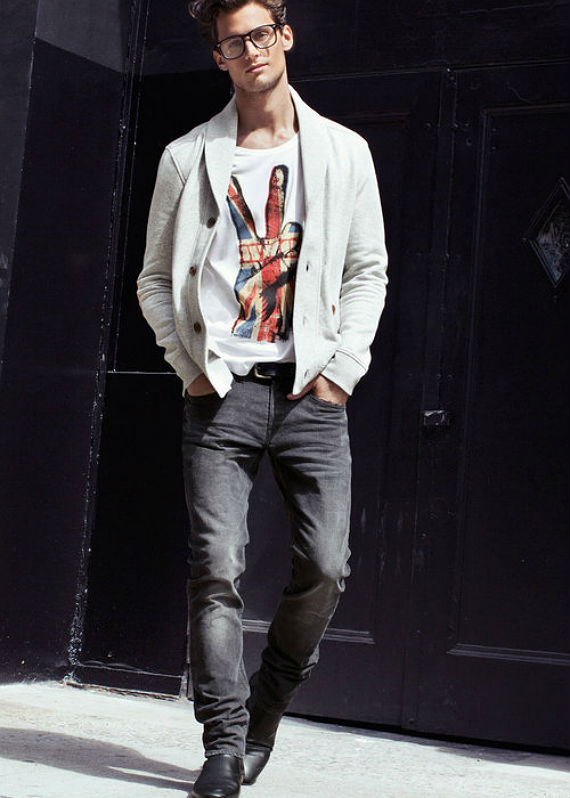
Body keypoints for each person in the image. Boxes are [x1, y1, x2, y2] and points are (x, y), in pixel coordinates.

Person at [137, 2, 388, 796]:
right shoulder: (187, 158)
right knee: (215, 568)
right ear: (217, 57)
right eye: (232, 42)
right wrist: (188, 365)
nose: (250, 51)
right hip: (220, 397)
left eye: (260, 34)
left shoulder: (344, 153)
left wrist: (342, 370)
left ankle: (265, 711)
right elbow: (154, 279)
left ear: (285, 35)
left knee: (326, 567)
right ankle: (222, 745)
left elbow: (366, 272)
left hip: (312, 393)